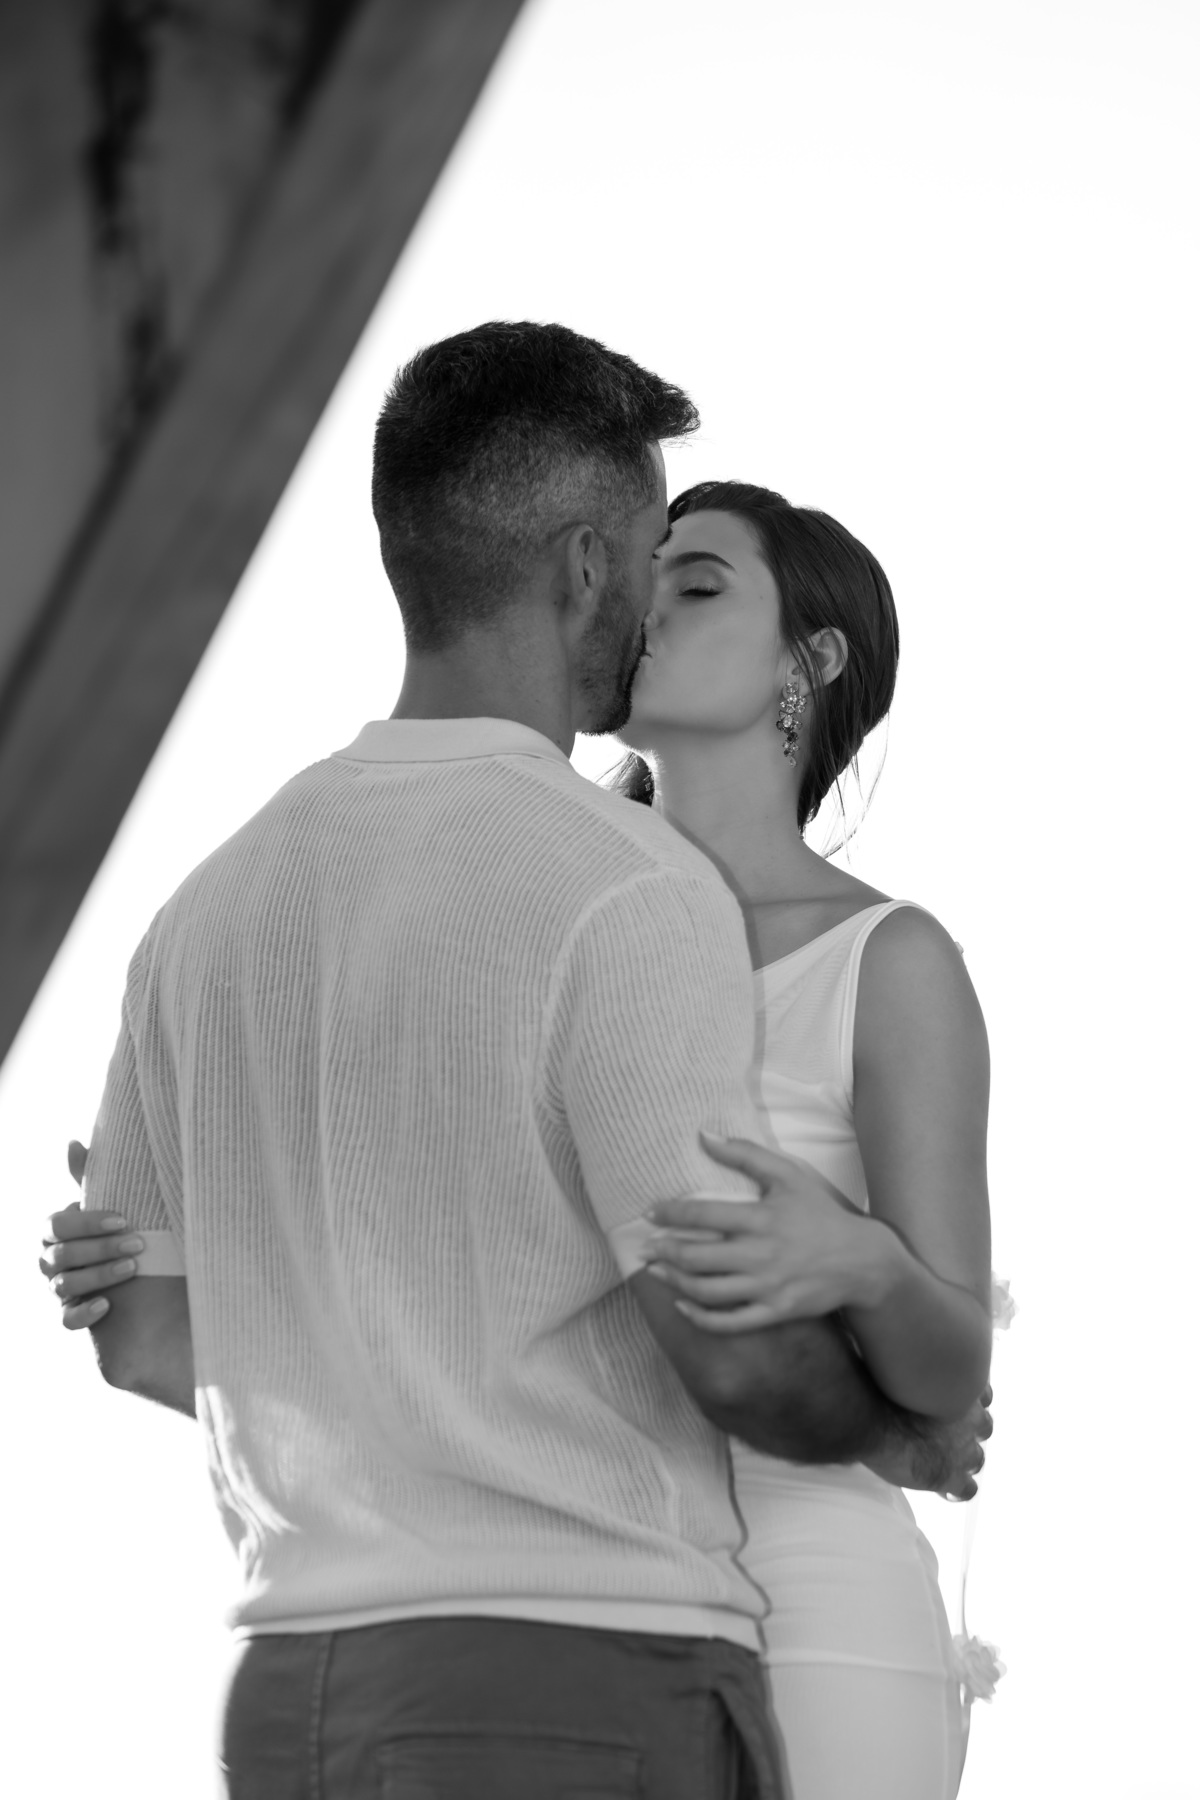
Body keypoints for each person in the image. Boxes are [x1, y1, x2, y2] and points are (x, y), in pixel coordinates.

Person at [35, 321, 992, 1800]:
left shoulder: (208, 909)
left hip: (297, 1684)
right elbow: (730, 1349)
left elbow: (146, 1332)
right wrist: (897, 1431)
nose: (656, 603)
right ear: (587, 566)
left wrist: (349, 1294)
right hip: (572, 1665)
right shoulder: (622, 890)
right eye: (656, 556)